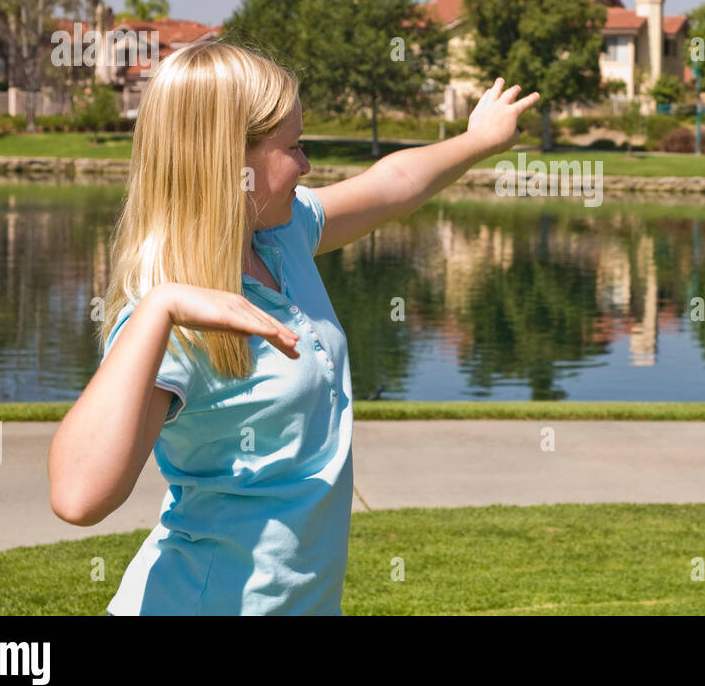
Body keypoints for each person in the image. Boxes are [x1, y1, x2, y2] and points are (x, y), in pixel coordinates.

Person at [47, 40, 538, 614]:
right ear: (229, 161)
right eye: (294, 147)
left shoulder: (282, 236)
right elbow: (78, 497)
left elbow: (394, 183)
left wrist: (478, 140)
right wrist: (158, 308)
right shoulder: (167, 319)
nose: (306, 165)